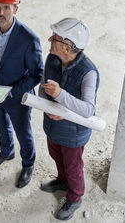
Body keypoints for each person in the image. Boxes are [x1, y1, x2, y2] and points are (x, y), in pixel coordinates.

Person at [0, 0, 44, 188]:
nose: (0, 12)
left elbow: (37, 74)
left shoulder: (29, 39)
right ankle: (7, 152)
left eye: (6, 7)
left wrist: (12, 93)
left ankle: (28, 164)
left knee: (23, 132)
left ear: (16, 8)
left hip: (17, 97)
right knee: (1, 126)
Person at [38, 18, 99, 220]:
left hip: (73, 133)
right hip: (53, 126)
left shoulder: (89, 73)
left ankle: (75, 196)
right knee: (56, 156)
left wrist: (60, 95)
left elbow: (88, 110)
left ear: (67, 47)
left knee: (73, 167)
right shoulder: (52, 59)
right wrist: (46, 106)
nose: (49, 39)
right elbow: (42, 86)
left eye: (54, 38)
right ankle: (62, 181)